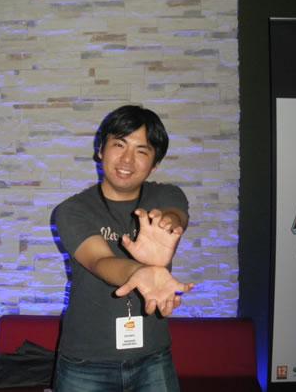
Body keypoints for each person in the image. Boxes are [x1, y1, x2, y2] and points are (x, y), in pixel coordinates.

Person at [52, 105, 193, 392]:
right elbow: (99, 260)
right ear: (100, 150)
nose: (127, 159)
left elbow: (175, 215)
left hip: (153, 357)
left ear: (154, 164)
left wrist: (168, 224)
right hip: (84, 361)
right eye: (119, 145)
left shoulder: (165, 194)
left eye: (142, 151)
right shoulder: (72, 210)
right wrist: (139, 271)